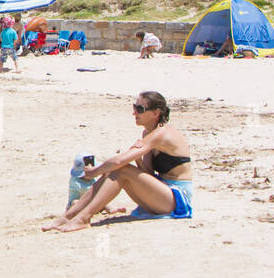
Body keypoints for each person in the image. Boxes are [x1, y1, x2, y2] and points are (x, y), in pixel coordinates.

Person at [44, 91, 193, 232]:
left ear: (156, 113)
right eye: (134, 107)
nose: (134, 112)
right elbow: (148, 173)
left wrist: (95, 171)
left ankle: (83, 218)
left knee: (121, 169)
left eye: (140, 109)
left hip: (178, 198)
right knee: (115, 170)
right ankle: (67, 217)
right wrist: (137, 157)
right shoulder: (147, 133)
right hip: (163, 191)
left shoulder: (161, 133)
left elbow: (119, 162)